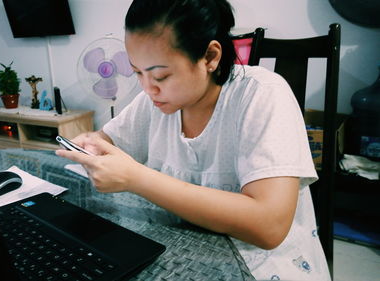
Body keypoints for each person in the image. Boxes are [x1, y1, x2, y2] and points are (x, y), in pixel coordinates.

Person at [56, 0, 330, 280]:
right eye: (138, 72)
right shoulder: (154, 101)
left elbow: (269, 227)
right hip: (184, 249)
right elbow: (108, 141)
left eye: (161, 75)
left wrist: (136, 178)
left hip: (263, 265)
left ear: (210, 57)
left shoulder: (262, 94)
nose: (147, 87)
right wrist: (92, 147)